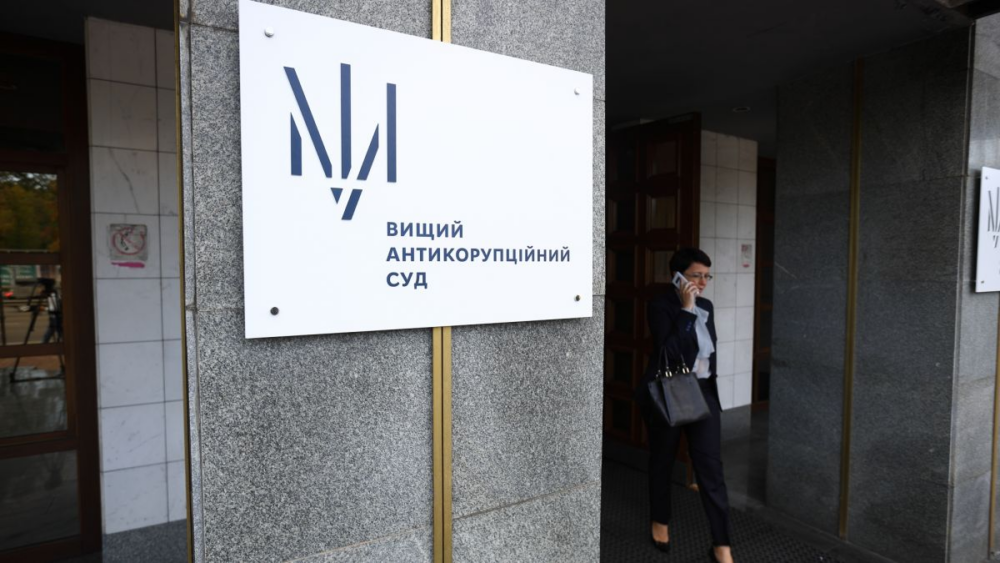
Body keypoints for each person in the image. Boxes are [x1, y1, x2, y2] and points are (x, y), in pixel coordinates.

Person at [636, 247, 735, 563]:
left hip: (702, 392)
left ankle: (721, 545)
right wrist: (687, 309)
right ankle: (660, 520)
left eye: (707, 276)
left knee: (711, 468)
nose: (703, 283)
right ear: (678, 277)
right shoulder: (661, 305)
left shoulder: (707, 306)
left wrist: (696, 307)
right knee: (663, 460)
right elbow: (670, 351)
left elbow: (708, 354)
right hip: (671, 389)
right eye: (696, 276)